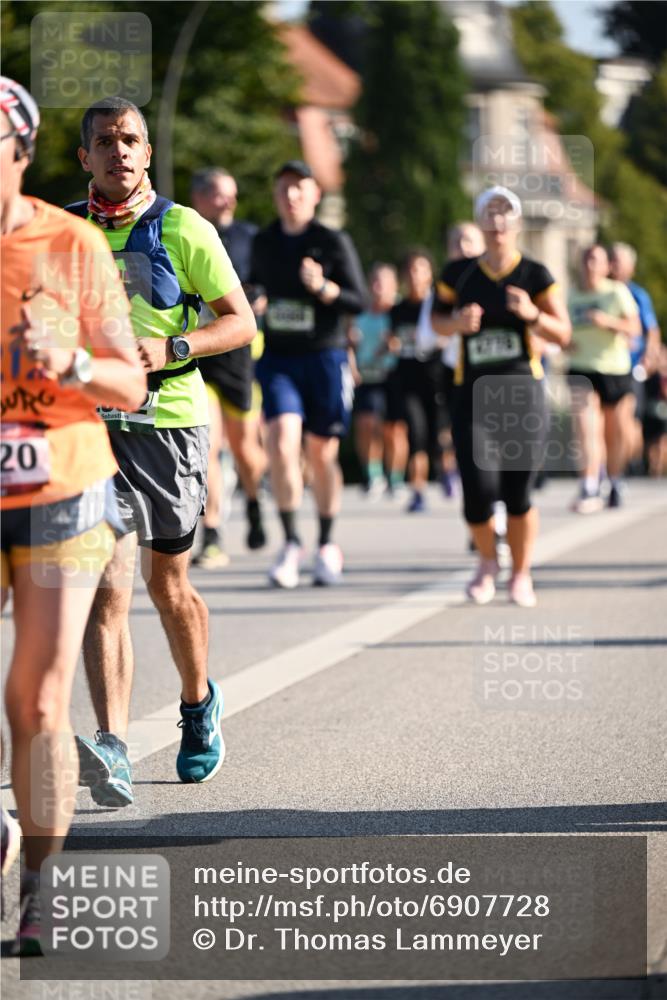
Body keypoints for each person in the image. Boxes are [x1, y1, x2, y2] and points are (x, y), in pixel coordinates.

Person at [69, 98, 256, 807]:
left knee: (166, 587)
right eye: (105, 142)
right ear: (84, 157)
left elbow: (238, 322)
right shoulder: (62, 234)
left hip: (169, 424)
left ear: (147, 153)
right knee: (107, 587)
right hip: (91, 429)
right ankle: (113, 745)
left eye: (130, 140)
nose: (119, 151)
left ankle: (197, 702)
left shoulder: (183, 229)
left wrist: (173, 346)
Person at [0, 78, 146, 953]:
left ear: (18, 151)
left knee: (40, 702)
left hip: (61, 488)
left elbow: (128, 380)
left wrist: (75, 362)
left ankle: (38, 891)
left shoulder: (73, 244)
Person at [432, 186, 571, 607]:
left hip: (520, 393)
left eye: (504, 215)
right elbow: (436, 322)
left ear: (516, 222)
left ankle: (521, 574)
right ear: (479, 221)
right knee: (477, 491)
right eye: (489, 215)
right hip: (471, 393)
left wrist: (531, 315)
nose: (497, 224)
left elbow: (562, 333)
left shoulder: (535, 274)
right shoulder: (459, 274)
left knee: (517, 493)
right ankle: (488, 562)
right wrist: (455, 322)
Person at [250, 160, 367, 588]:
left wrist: (323, 288)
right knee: (281, 442)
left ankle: (327, 543)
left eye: (300, 188)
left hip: (324, 357)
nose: (291, 195)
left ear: (315, 194)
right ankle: (291, 543)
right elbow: (251, 284)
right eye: (284, 188)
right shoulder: (264, 241)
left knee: (321, 454)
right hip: (280, 357)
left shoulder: (331, 241)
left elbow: (359, 300)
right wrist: (255, 297)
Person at [190, 168, 267, 566]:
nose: (229, 202)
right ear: (200, 198)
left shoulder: (250, 238)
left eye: (232, 194)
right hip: (196, 352)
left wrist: (262, 300)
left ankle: (254, 499)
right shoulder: (182, 232)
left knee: (244, 449)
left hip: (238, 354)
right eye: (221, 195)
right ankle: (214, 532)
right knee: (208, 446)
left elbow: (267, 282)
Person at [566, 245, 640, 511]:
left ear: (606, 266)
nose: (589, 264)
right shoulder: (571, 295)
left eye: (595, 260)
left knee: (615, 433)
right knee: (586, 427)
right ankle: (588, 484)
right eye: (586, 258)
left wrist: (607, 322)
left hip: (614, 369)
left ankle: (615, 479)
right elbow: (563, 329)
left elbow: (635, 327)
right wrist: (564, 341)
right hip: (581, 368)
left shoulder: (616, 292)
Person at [387, 250, 444, 513]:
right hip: (407, 379)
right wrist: (392, 344)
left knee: (439, 436)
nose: (414, 275)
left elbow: (449, 337)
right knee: (416, 433)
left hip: (436, 379)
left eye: (420, 269)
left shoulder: (437, 306)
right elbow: (391, 339)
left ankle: (447, 470)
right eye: (410, 270)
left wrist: (436, 341)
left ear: (429, 274)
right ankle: (418, 490)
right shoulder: (398, 310)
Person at [348, 262, 401, 497]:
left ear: (394, 286)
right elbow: (349, 343)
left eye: (384, 281)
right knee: (365, 425)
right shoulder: (360, 313)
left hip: (392, 377)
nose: (378, 286)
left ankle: (396, 478)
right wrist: (352, 367)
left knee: (393, 430)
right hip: (365, 377)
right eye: (375, 281)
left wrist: (391, 346)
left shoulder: (398, 312)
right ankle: (373, 475)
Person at [609, 241, 662, 470]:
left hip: (630, 366)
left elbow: (652, 331)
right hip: (603, 364)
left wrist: (649, 357)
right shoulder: (600, 292)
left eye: (619, 262)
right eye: (612, 261)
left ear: (631, 267)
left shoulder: (638, 295)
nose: (614, 267)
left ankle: (627, 466)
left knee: (629, 418)